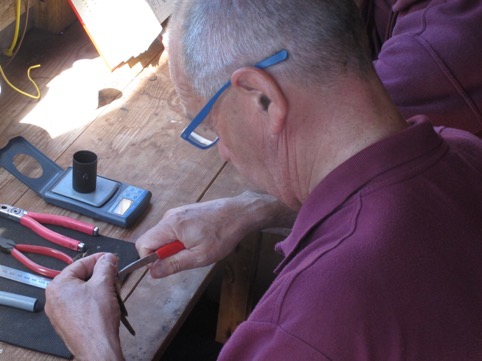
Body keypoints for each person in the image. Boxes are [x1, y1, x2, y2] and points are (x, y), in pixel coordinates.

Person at [45, 0, 482, 360]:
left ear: (265, 98)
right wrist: (248, 210)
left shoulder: (303, 328)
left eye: (210, 123)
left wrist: (95, 347)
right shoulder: (463, 152)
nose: (222, 150)